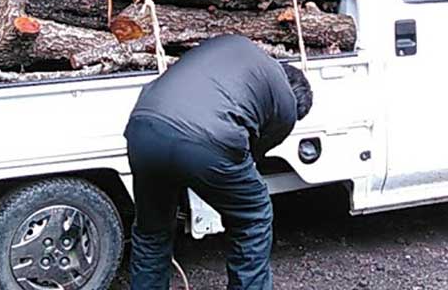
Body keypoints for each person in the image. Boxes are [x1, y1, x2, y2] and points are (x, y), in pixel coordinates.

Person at [124, 34, 313, 290]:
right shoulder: (287, 103)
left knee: (151, 231)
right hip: (206, 140)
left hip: (143, 127)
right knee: (254, 214)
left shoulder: (235, 46)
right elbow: (249, 157)